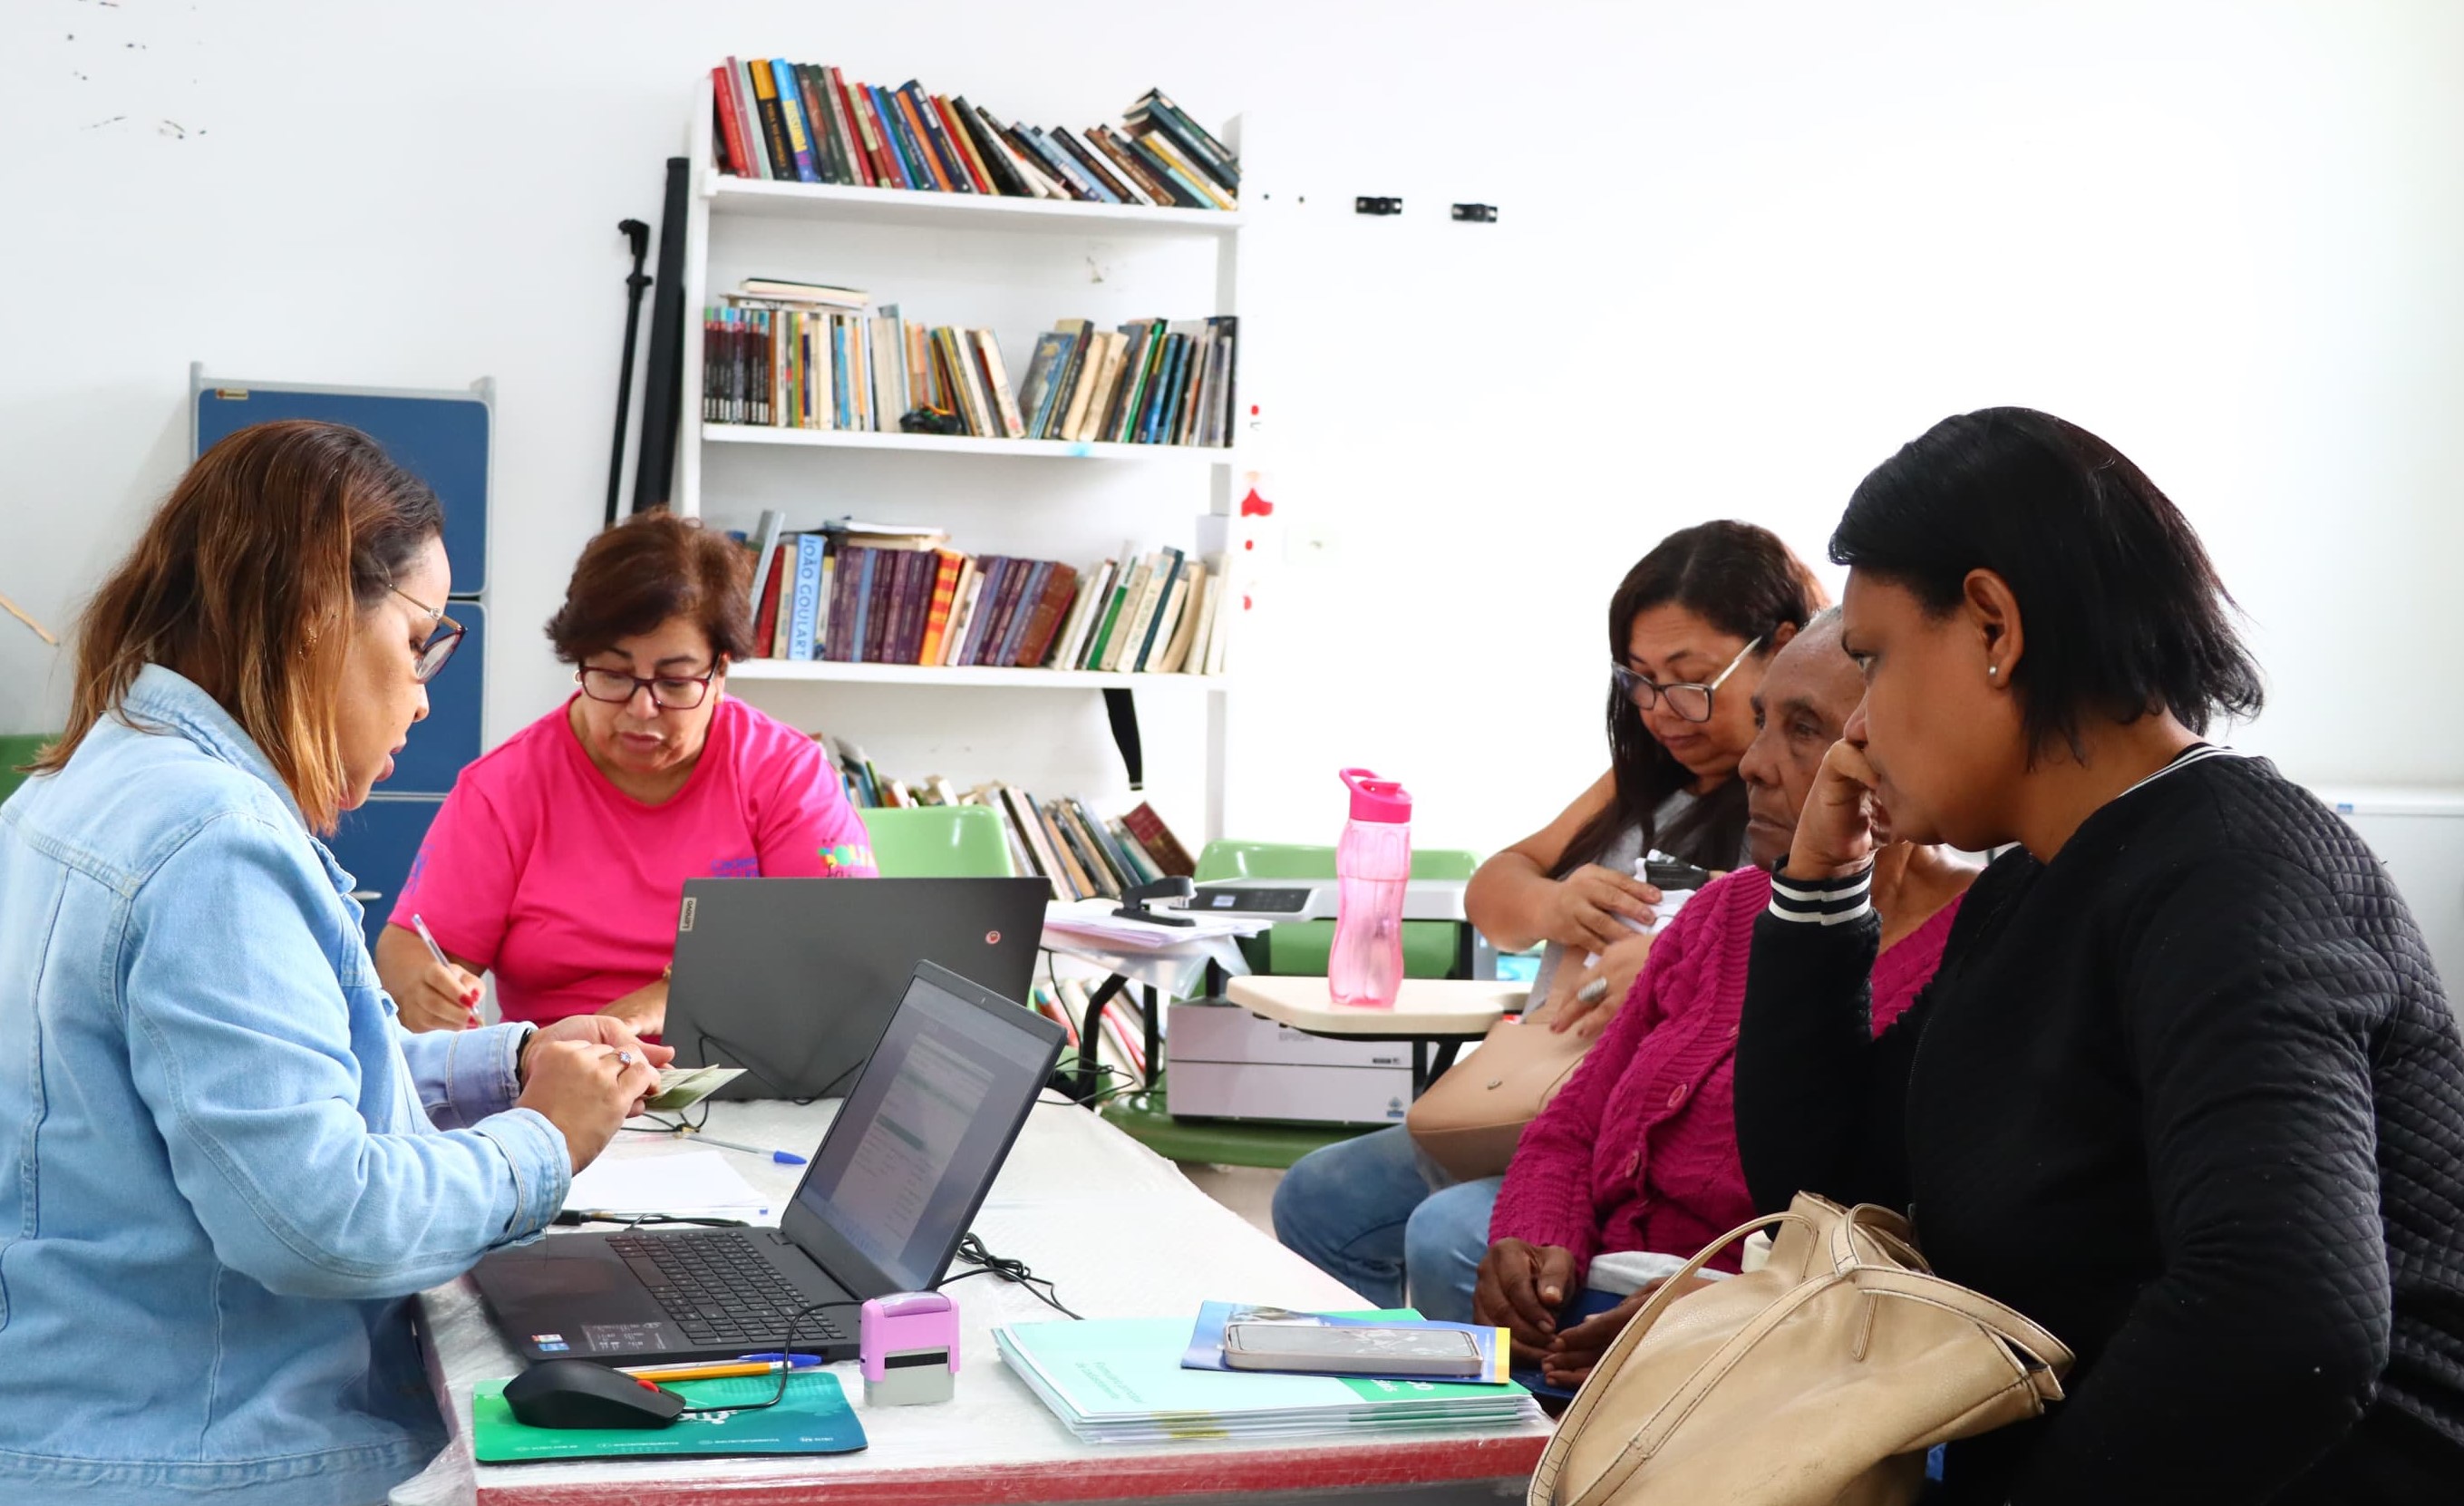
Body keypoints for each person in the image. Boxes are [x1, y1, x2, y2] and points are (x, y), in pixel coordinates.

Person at [1736, 407, 2464, 1503]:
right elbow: (1833, 1185)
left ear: (1995, 624)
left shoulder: (2237, 873)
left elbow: (2283, 1319)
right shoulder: (2041, 881)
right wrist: (1823, 886)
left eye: (1875, 660)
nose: (1859, 728)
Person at [0, 420, 667, 1506]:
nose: (425, 693)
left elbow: (261, 1078)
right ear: (316, 613)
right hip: (202, 1450)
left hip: (77, 1407)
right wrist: (544, 1141)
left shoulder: (81, 780)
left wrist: (511, 1064)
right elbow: (320, 1222)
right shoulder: (215, 841)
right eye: (419, 642)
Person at [1273, 521, 1827, 1320]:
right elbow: (1493, 892)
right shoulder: (1646, 783)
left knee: (1449, 1233)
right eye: (1639, 680)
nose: (1662, 711)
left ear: (1781, 648)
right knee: (1316, 1196)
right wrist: (1553, 903)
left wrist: (1678, 967)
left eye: (1690, 679)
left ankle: (1484, 1399)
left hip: (1633, 1128)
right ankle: (1370, 1381)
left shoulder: (1803, 802)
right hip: (1535, 1095)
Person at [1470, 609, 1974, 1390]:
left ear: (1910, 747)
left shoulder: (1976, 944)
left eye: (1804, 730)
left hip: (1762, 1370)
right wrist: (1538, 1243)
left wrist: (1712, 1310)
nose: (1752, 764)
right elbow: (1570, 1126)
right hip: (1588, 1316)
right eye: (1762, 721)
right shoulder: (1725, 908)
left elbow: (1908, 1248)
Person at [373, 512, 877, 1036]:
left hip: (745, 1070)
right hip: (564, 1071)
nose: (641, 709)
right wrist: (425, 989)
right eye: (613, 675)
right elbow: (409, 948)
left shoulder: (786, 775)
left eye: (675, 682)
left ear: (720, 672)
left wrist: (664, 1001)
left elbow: (846, 952)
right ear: (580, 660)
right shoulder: (504, 789)